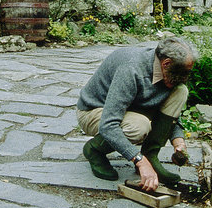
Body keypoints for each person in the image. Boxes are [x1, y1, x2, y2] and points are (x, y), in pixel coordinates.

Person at [77, 35, 199, 191]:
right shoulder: (131, 69)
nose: (184, 78)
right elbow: (108, 124)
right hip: (93, 111)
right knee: (138, 127)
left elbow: (170, 111)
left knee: (181, 91)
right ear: (166, 63)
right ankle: (94, 149)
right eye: (181, 75)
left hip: (129, 109)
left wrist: (178, 140)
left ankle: (151, 155)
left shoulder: (166, 70)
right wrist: (139, 161)